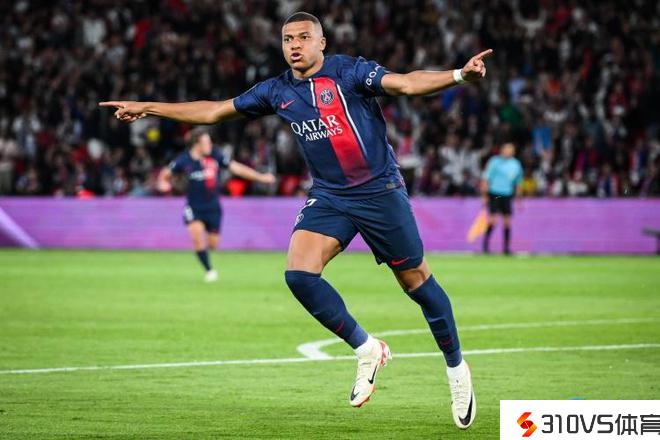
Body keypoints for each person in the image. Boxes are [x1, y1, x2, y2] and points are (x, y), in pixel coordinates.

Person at [100, 12, 491, 429]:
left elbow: (407, 83)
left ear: (322, 42)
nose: (295, 45)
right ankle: (367, 349)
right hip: (330, 196)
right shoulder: (277, 90)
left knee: (417, 284)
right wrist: (148, 107)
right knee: (299, 274)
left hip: (380, 192)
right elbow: (214, 111)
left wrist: (459, 75)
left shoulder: (350, 72)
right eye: (288, 39)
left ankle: (456, 369)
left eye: (304, 37)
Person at [157, 127, 275, 282]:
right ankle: (209, 271)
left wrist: (260, 177)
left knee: (212, 244)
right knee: (197, 237)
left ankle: (207, 258)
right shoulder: (183, 160)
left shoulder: (216, 156)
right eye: (206, 142)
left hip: (213, 208)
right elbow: (165, 173)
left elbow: (237, 168)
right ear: (197, 144)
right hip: (193, 207)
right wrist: (162, 183)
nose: (210, 145)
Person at [481, 143, 523, 254]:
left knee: (507, 222)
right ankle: (485, 246)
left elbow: (518, 183)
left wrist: (519, 199)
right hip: (495, 194)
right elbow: (486, 178)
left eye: (510, 150)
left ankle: (506, 248)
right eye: (505, 149)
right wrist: (484, 195)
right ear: (502, 150)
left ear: (513, 152)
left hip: (507, 195)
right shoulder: (494, 161)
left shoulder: (516, 164)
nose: (507, 152)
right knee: (493, 220)